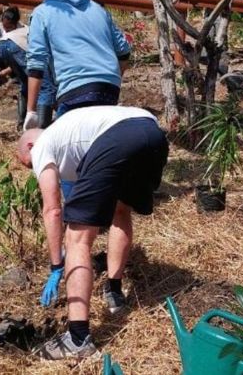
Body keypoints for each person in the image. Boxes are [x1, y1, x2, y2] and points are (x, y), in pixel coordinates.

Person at [16, 106, 168, 360]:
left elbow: (53, 209)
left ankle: (78, 338)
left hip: (118, 137)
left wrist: (56, 265)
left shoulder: (43, 144)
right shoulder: (73, 134)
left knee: (76, 239)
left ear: (30, 147)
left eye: (30, 166)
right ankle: (115, 292)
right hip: (152, 133)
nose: (36, 170)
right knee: (121, 211)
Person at [24, 0, 131, 129]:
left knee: (69, 147)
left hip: (73, 88)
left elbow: (36, 63)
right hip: (109, 87)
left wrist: (30, 111)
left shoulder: (42, 13)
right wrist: (111, 75)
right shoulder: (98, 10)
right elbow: (124, 51)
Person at [0, 6, 56, 130]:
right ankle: (42, 129)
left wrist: (5, 72)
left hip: (6, 47)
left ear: (15, 23)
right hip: (17, 49)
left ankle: (22, 123)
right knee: (46, 87)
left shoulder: (24, 29)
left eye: (9, 26)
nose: (6, 28)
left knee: (25, 84)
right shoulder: (26, 31)